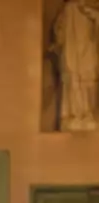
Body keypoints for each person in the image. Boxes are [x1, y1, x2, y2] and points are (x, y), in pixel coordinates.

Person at [53, 0, 99, 131]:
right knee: (73, 82)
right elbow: (59, 31)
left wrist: (92, 14)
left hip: (89, 50)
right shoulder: (69, 8)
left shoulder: (92, 9)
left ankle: (88, 114)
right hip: (73, 52)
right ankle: (74, 115)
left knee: (89, 81)